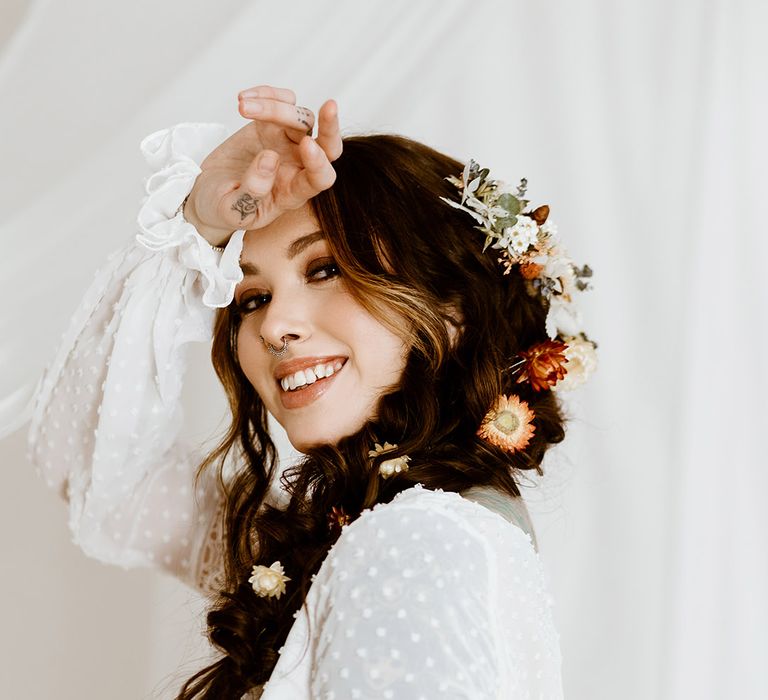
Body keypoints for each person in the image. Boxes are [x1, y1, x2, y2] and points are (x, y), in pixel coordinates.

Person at [28, 84, 596, 699]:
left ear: (452, 305)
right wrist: (196, 224)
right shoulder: (351, 536)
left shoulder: (412, 546)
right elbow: (107, 477)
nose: (273, 327)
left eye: (324, 270)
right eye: (252, 298)